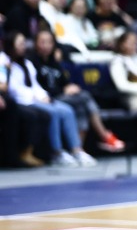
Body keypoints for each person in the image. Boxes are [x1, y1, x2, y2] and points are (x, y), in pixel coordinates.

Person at [4, 30, 97, 167]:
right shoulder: (5, 62)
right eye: (20, 44)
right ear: (11, 45)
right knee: (53, 112)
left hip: (38, 98)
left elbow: (35, 85)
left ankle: (77, 150)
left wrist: (43, 96)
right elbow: (13, 88)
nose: (23, 46)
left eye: (24, 43)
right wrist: (36, 97)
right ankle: (56, 153)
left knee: (67, 110)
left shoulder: (27, 63)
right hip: (23, 100)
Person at [29, 28, 124, 151]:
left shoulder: (55, 62)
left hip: (61, 97)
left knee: (81, 107)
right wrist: (63, 91)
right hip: (46, 99)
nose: (46, 45)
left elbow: (65, 82)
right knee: (85, 97)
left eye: (49, 42)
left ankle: (78, 149)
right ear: (35, 43)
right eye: (42, 42)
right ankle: (104, 136)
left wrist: (71, 87)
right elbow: (36, 87)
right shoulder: (31, 62)